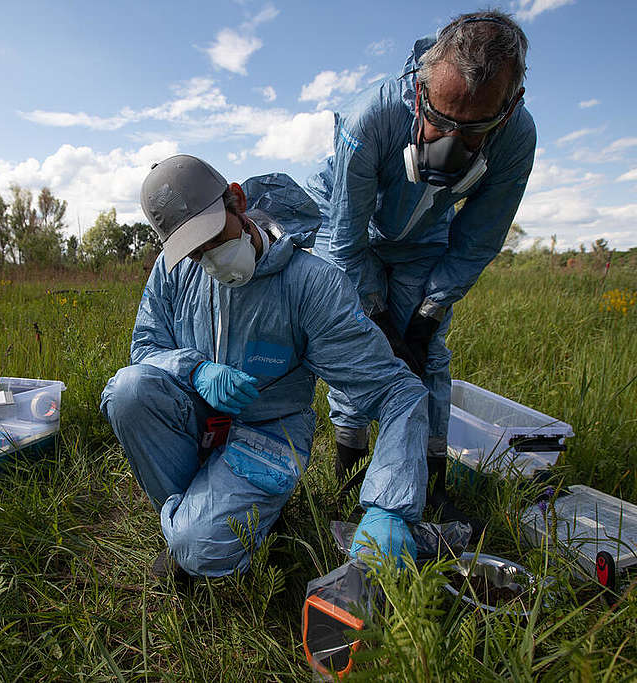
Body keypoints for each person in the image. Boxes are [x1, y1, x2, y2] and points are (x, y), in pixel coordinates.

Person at [100, 154, 429, 579]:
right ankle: (198, 522)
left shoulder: (309, 283)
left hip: (268, 430)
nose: (211, 261)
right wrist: (195, 370)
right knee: (129, 392)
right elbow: (145, 349)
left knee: (198, 549)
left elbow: (393, 390)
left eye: (214, 238)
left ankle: (202, 533)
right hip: (197, 414)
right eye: (195, 252)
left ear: (235, 200)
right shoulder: (174, 270)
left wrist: (390, 507)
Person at [306, 10, 535, 520]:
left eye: (473, 128)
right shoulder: (370, 118)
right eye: (441, 120)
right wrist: (378, 317)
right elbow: (345, 238)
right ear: (421, 89)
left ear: (507, 105)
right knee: (359, 349)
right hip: (350, 229)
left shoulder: (517, 137)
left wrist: (428, 314)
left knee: (427, 357)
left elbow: (479, 236)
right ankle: (347, 473)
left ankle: (432, 486)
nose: (451, 141)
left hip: (424, 239)